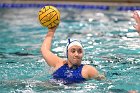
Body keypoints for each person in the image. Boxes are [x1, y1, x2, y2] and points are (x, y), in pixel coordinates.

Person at [41, 26, 105, 85]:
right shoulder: (58, 63)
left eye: (79, 51)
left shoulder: (88, 70)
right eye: (73, 51)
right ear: (67, 53)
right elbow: (44, 50)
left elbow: (103, 82)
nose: (76, 54)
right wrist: (51, 31)